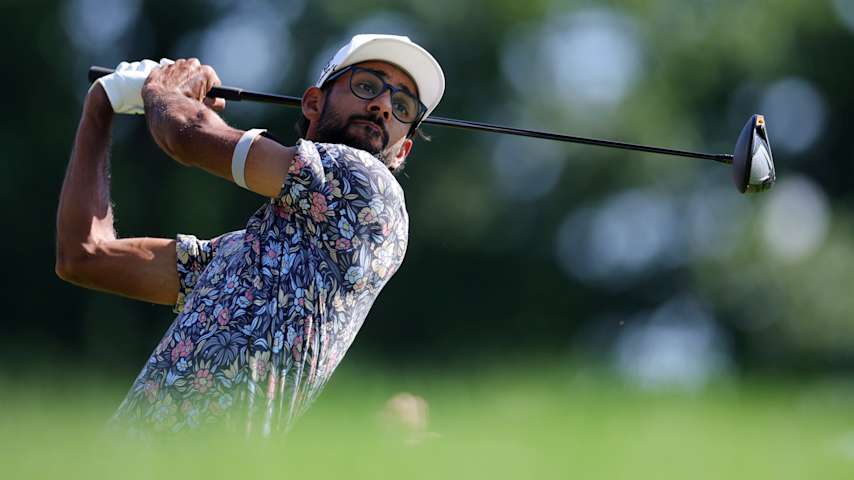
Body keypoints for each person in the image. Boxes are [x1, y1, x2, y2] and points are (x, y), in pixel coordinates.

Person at [54, 34, 445, 435]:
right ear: (312, 103)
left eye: (402, 106)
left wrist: (161, 90)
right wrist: (98, 110)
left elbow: (186, 133)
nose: (382, 105)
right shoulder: (242, 255)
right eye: (367, 86)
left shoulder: (367, 183)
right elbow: (84, 256)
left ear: (403, 151)